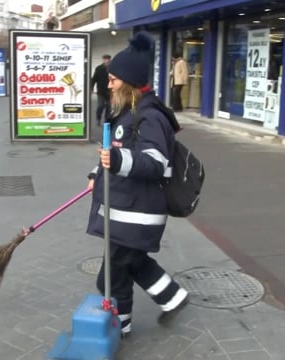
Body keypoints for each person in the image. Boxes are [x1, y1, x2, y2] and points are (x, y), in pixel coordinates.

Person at [86, 32, 189, 338]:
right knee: (131, 263)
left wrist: (115, 162)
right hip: (126, 209)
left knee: (112, 276)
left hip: (137, 213)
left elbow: (154, 163)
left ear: (129, 82)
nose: (108, 84)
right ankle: (172, 296)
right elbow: (117, 152)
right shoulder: (130, 112)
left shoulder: (150, 117)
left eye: (114, 79)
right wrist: (97, 173)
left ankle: (122, 326)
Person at [91, 54, 112, 126]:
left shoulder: (113, 68)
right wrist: (91, 88)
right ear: (103, 60)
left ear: (109, 60)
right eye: (105, 59)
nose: (106, 60)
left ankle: (107, 120)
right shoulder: (99, 68)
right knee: (100, 106)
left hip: (110, 91)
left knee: (109, 107)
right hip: (101, 91)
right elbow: (94, 79)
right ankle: (98, 118)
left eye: (108, 59)